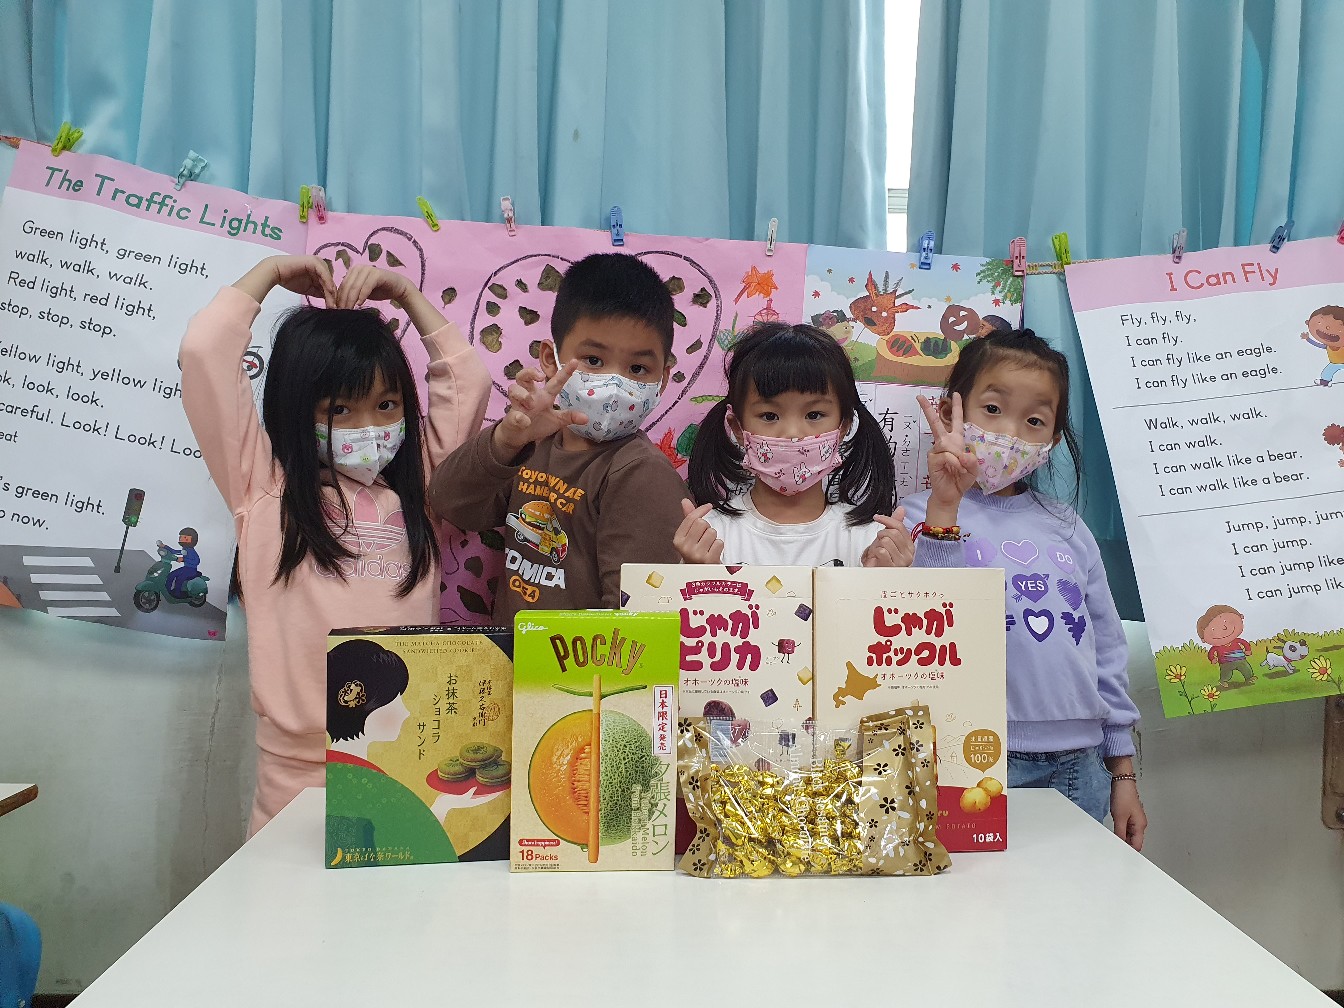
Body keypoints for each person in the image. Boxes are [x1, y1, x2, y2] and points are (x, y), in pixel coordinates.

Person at [180, 255, 490, 836]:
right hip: (294, 779)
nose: (368, 425)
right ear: (300, 412)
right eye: (340, 410)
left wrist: (407, 295)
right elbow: (204, 354)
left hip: (403, 766)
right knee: (283, 899)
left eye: (386, 405)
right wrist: (269, 274)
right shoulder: (264, 491)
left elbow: (467, 382)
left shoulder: (422, 493)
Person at [904, 328, 1146, 850]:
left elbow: (1107, 649)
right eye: (992, 409)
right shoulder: (917, 517)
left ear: (1052, 440)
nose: (1010, 432)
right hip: (970, 756)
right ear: (950, 412)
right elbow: (924, 629)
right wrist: (946, 507)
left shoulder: (1067, 526)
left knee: (1070, 896)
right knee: (978, 898)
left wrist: (1122, 772)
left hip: (1080, 764)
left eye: (1034, 421)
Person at [431, 252, 687, 624]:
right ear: (550, 360)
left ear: (662, 379)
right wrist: (505, 441)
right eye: (594, 360)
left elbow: (631, 625)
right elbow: (450, 502)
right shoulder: (533, 444)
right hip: (512, 658)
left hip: (577, 663)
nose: (615, 384)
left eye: (638, 368)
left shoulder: (643, 476)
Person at [674, 321, 912, 568]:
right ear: (738, 428)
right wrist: (701, 575)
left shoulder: (872, 542)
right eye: (769, 416)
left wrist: (884, 580)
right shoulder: (708, 539)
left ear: (843, 427)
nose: (792, 433)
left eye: (814, 415)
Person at [160, 526, 201, 598]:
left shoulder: (191, 551)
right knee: (171, 575)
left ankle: (177, 594)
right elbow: (174, 551)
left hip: (191, 570)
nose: (181, 539)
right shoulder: (185, 549)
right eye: (181, 537)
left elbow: (197, 561)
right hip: (186, 568)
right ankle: (167, 591)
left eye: (185, 538)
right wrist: (164, 546)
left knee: (179, 579)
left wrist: (184, 559)